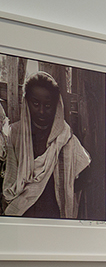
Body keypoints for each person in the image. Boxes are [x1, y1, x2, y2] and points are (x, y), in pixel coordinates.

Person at [3, 71, 92, 218]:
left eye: (48, 105)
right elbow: (9, 179)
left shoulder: (65, 138)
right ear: (26, 102)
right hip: (22, 216)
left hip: (54, 217)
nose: (42, 111)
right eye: (36, 104)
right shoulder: (15, 134)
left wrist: (64, 186)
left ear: (57, 105)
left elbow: (86, 175)